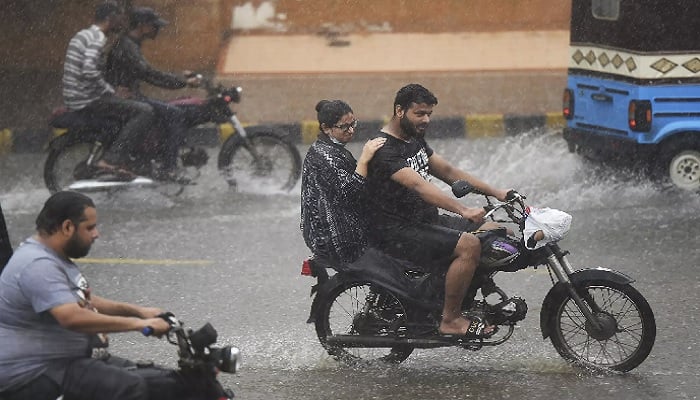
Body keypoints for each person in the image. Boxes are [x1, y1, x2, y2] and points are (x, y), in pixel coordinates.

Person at [366, 83, 515, 338]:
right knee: (468, 246)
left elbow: (447, 172)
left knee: (494, 232)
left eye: (429, 114)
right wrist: (463, 210)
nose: (425, 120)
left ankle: (468, 294)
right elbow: (419, 186)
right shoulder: (384, 149)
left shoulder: (412, 137)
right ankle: (451, 319)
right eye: (420, 113)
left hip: (424, 221)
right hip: (397, 231)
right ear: (399, 110)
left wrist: (497, 192)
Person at [0, 191, 171, 400]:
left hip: (64, 360)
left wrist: (139, 311)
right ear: (67, 227)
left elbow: (77, 298)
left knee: (160, 380)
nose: (96, 234)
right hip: (34, 371)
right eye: (90, 227)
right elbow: (71, 316)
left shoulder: (53, 256)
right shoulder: (37, 265)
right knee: (129, 387)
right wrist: (138, 324)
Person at [105, 6, 202, 182]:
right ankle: (168, 168)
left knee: (169, 109)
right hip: (127, 97)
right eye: (154, 25)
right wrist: (182, 82)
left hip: (131, 95)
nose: (157, 29)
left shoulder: (130, 44)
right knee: (175, 113)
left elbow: (148, 71)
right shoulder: (127, 46)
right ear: (142, 25)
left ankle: (153, 160)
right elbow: (148, 73)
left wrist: (180, 77)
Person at [62, 1, 155, 177]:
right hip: (87, 100)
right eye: (120, 17)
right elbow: (89, 69)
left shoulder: (84, 34)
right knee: (145, 111)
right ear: (111, 18)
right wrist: (111, 91)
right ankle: (111, 159)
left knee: (127, 108)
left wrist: (111, 88)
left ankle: (122, 159)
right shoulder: (97, 37)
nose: (122, 23)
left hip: (77, 97)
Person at [300, 100, 386, 264]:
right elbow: (351, 194)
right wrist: (364, 159)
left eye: (353, 123)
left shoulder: (330, 149)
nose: (351, 130)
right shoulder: (325, 157)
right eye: (344, 127)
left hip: (334, 230)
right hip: (335, 239)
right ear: (326, 128)